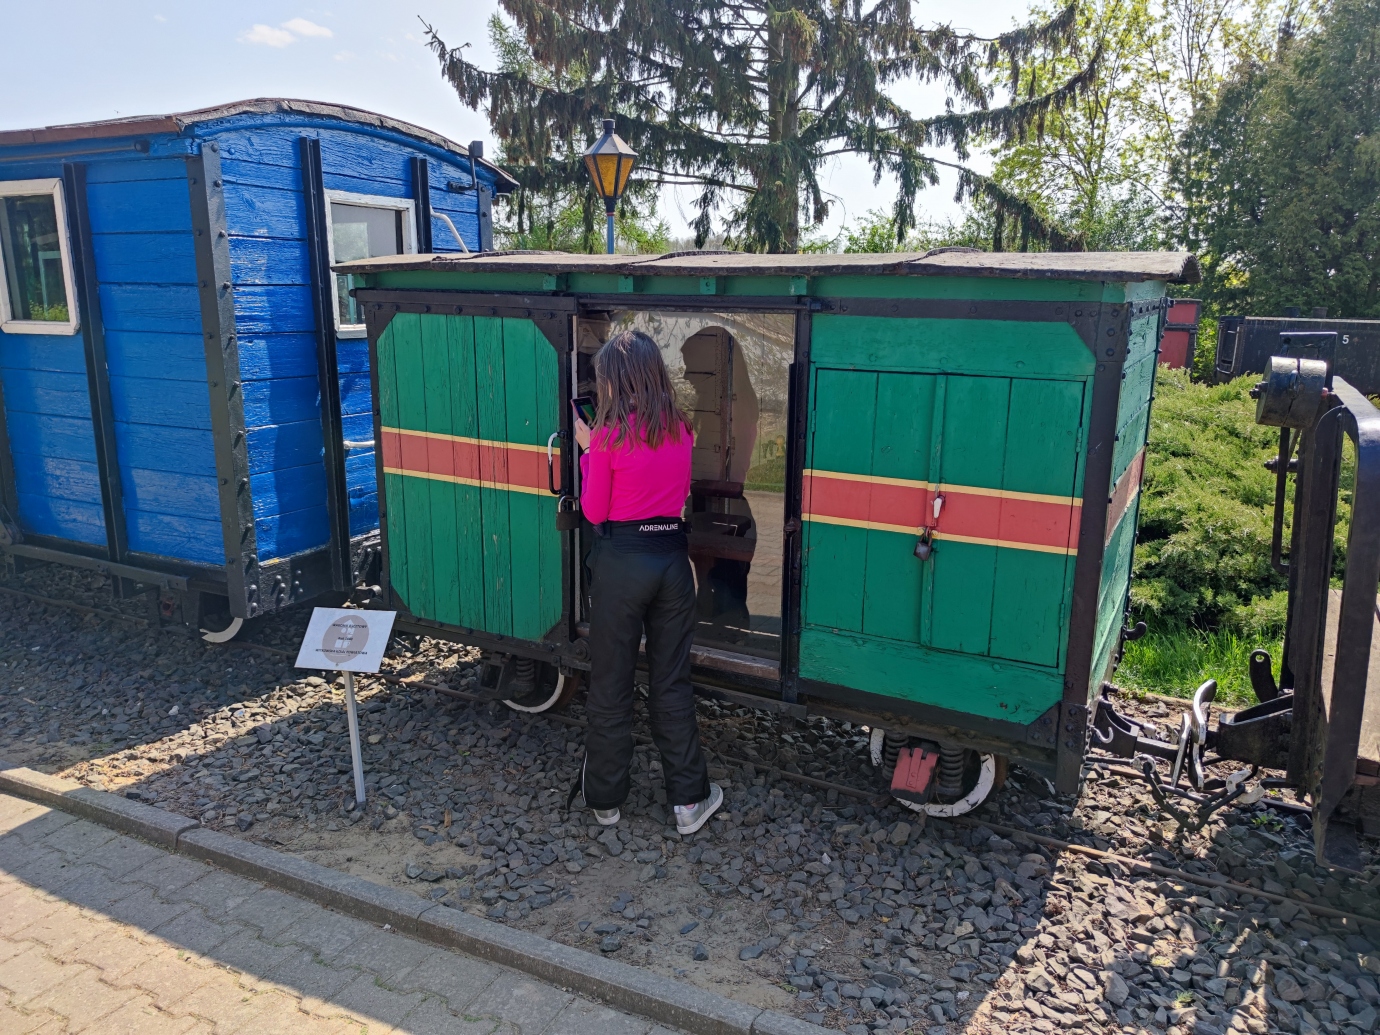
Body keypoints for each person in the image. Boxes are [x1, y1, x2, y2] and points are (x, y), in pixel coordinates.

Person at [573, 329, 723, 835]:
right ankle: (689, 803)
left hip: (623, 563)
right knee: (671, 680)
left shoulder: (608, 437)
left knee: (611, 682)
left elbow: (595, 512)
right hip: (672, 563)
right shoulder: (681, 429)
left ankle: (606, 801)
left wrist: (589, 451)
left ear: (613, 381)